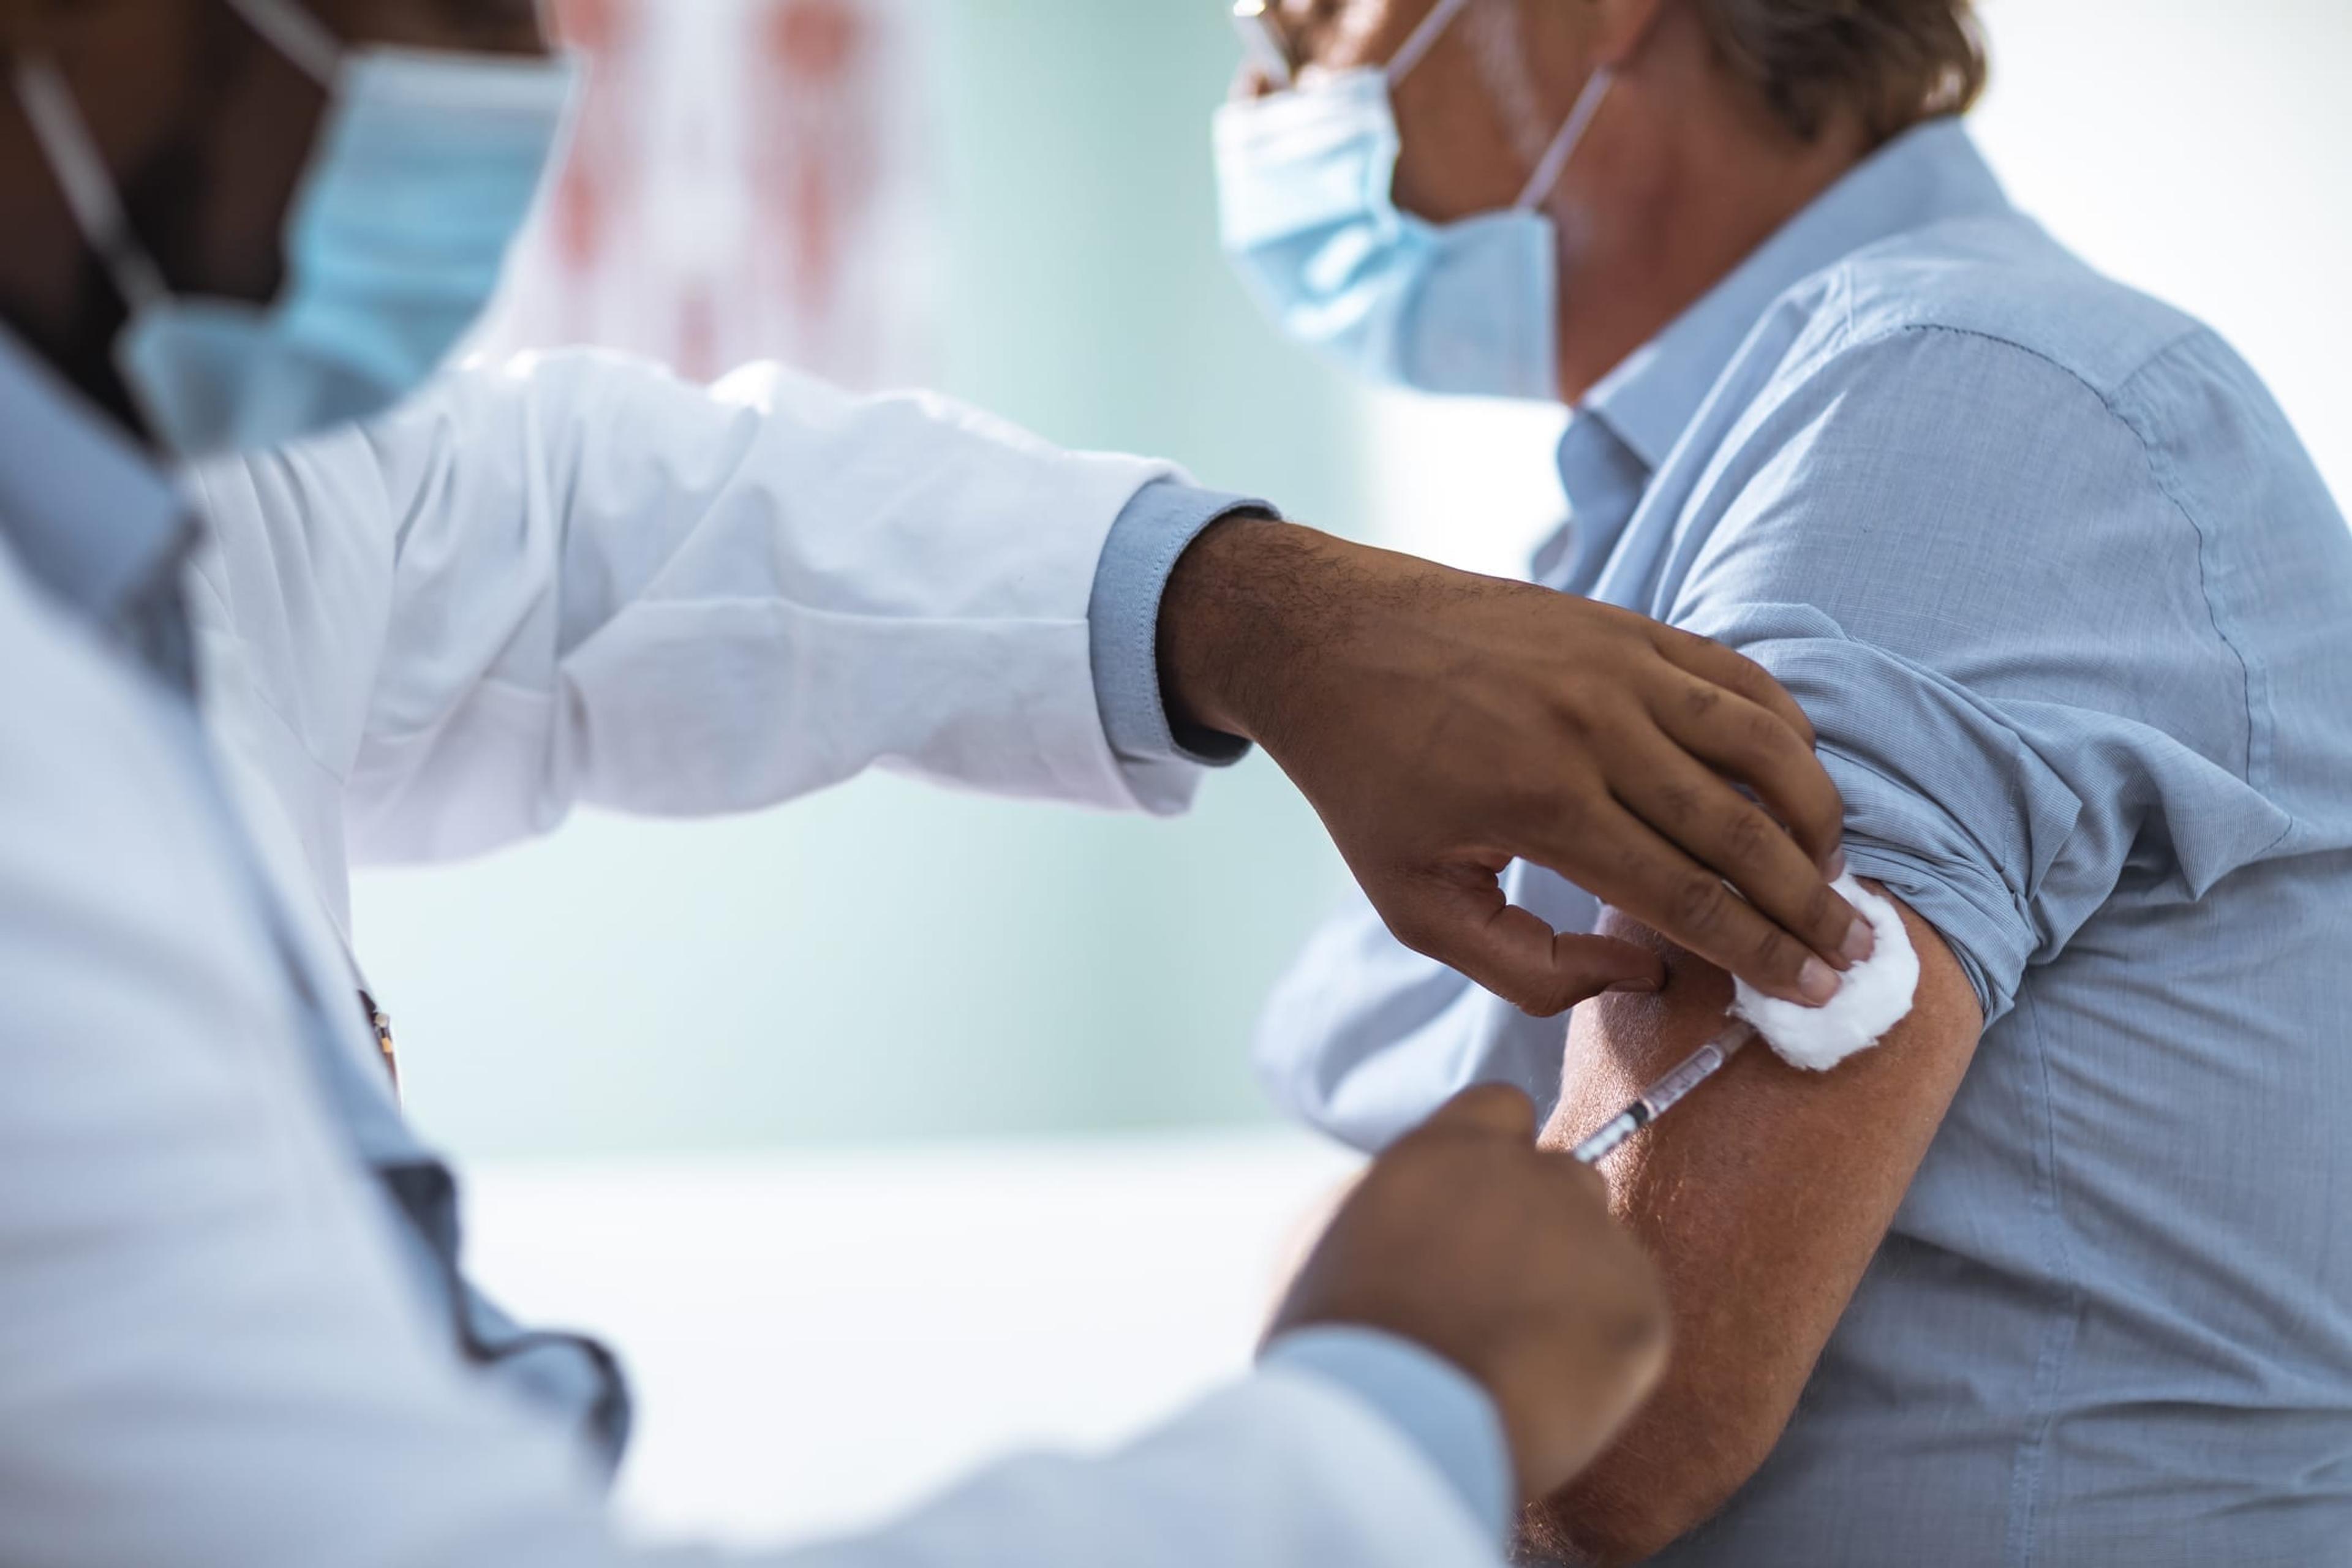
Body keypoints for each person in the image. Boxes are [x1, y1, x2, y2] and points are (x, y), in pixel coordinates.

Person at [0, 0, 1879, 1562]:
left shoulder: (135, 478)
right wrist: (1382, 1434)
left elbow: (562, 524)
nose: (515, 72)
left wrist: (1239, 610)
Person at [1241, 0, 2352, 1562]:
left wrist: (1333, 1295)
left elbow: (1609, 1412)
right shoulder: (1666, 504)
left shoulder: (1948, 405)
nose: (1258, 94)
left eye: (1306, 27)